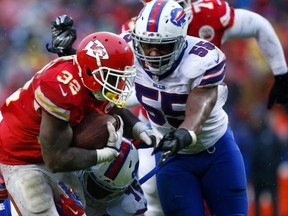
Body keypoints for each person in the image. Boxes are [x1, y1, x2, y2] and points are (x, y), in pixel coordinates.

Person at [0, 31, 155, 215]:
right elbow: (55, 161)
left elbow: (112, 107)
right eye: (114, 77)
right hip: (19, 157)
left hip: (50, 151)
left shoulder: (91, 81)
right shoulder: (61, 88)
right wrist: (102, 155)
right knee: (40, 208)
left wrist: (140, 130)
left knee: (76, 210)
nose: (119, 83)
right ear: (91, 72)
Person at [125, 0, 248, 215]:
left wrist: (185, 132)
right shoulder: (127, 50)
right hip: (173, 158)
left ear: (181, 40)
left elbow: (200, 102)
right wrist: (69, 51)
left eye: (162, 46)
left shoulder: (202, 58)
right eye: (147, 45)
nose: (153, 54)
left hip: (217, 151)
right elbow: (92, 68)